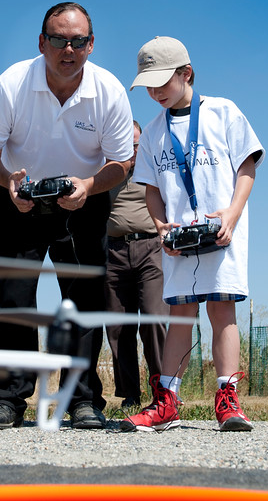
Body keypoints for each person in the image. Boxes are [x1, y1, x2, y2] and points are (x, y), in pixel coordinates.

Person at [0, 2, 134, 430]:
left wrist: (89, 186)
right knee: (12, 300)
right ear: (41, 42)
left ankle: (81, 399)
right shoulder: (10, 84)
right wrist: (7, 180)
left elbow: (120, 163)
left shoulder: (110, 91)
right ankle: (6, 398)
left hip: (83, 200)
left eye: (78, 41)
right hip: (19, 195)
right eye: (59, 39)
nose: (69, 49)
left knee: (83, 301)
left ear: (91, 45)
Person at [121, 36, 264, 432]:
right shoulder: (152, 132)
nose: (154, 92)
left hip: (221, 233)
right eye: (147, 85)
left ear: (186, 73)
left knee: (221, 310)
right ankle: (167, 401)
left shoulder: (222, 112)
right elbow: (151, 187)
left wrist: (232, 215)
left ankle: (228, 400)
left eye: (161, 82)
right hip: (178, 239)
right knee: (180, 314)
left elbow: (247, 166)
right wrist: (160, 224)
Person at [106, 120, 168, 409]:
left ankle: (163, 391)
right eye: (124, 145)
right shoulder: (105, 172)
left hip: (151, 249)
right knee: (119, 326)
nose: (131, 150)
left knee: (155, 319)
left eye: (135, 144)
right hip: (114, 252)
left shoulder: (154, 169)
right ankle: (130, 393)